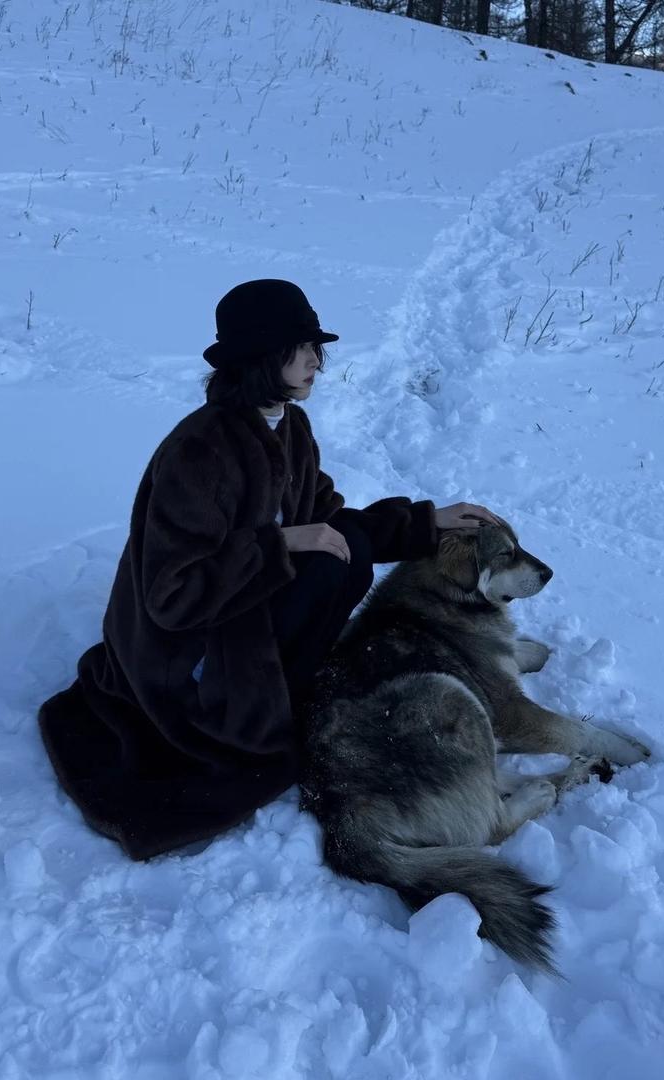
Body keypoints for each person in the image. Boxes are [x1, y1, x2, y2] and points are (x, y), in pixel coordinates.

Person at [38, 279, 497, 860]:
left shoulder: (291, 429)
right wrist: (279, 542)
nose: (315, 362)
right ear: (257, 356)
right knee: (329, 564)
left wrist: (428, 522)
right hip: (185, 654)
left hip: (246, 621)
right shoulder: (199, 451)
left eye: (315, 348)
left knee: (344, 550)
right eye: (297, 348)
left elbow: (331, 522)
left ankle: (282, 682)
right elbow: (171, 596)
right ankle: (248, 696)